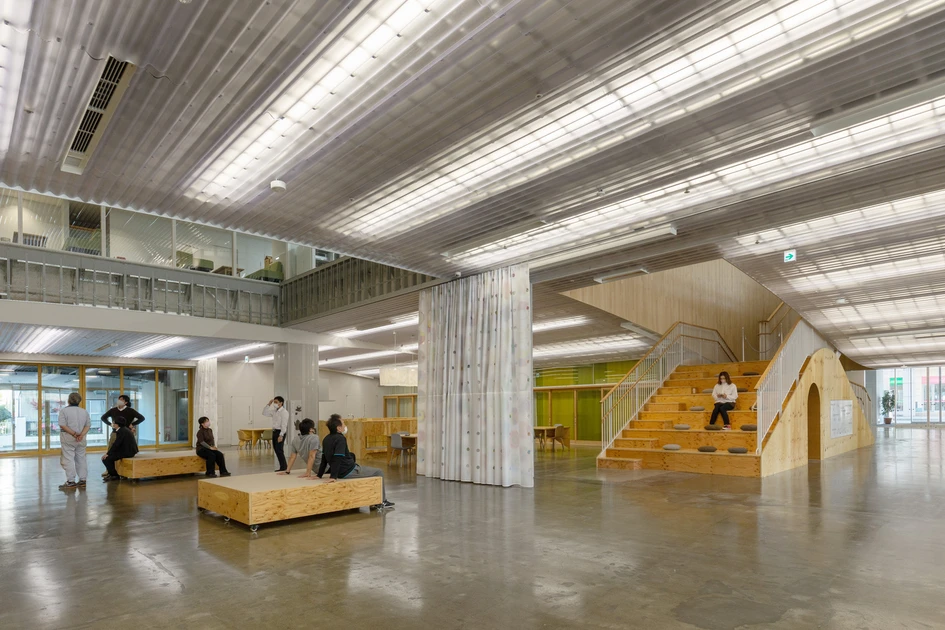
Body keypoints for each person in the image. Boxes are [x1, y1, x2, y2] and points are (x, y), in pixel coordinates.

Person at [317, 414, 394, 508]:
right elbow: (337, 458)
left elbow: (324, 458)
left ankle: (375, 499)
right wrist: (333, 477)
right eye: (343, 423)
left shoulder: (326, 439)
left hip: (342, 470)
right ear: (339, 428)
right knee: (379, 472)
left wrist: (319, 475)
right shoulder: (340, 439)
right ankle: (382, 501)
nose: (345, 426)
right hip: (348, 471)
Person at [58, 392, 91, 490]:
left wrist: (74, 434)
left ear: (68, 400)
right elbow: (88, 425)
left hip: (68, 437)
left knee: (68, 459)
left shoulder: (64, 411)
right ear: (79, 401)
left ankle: (71, 481)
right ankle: (82, 480)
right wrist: (81, 434)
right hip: (81, 438)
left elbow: (62, 425)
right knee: (81, 458)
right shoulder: (84, 411)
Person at [262, 396, 289, 472]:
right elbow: (264, 413)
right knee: (276, 450)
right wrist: (268, 404)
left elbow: (284, 425)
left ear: (281, 403)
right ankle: (282, 466)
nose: (275, 404)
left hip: (280, 432)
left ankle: (284, 467)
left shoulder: (284, 412)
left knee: (279, 450)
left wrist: (281, 435)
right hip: (274, 432)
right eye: (274, 402)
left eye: (276, 402)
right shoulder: (274, 411)